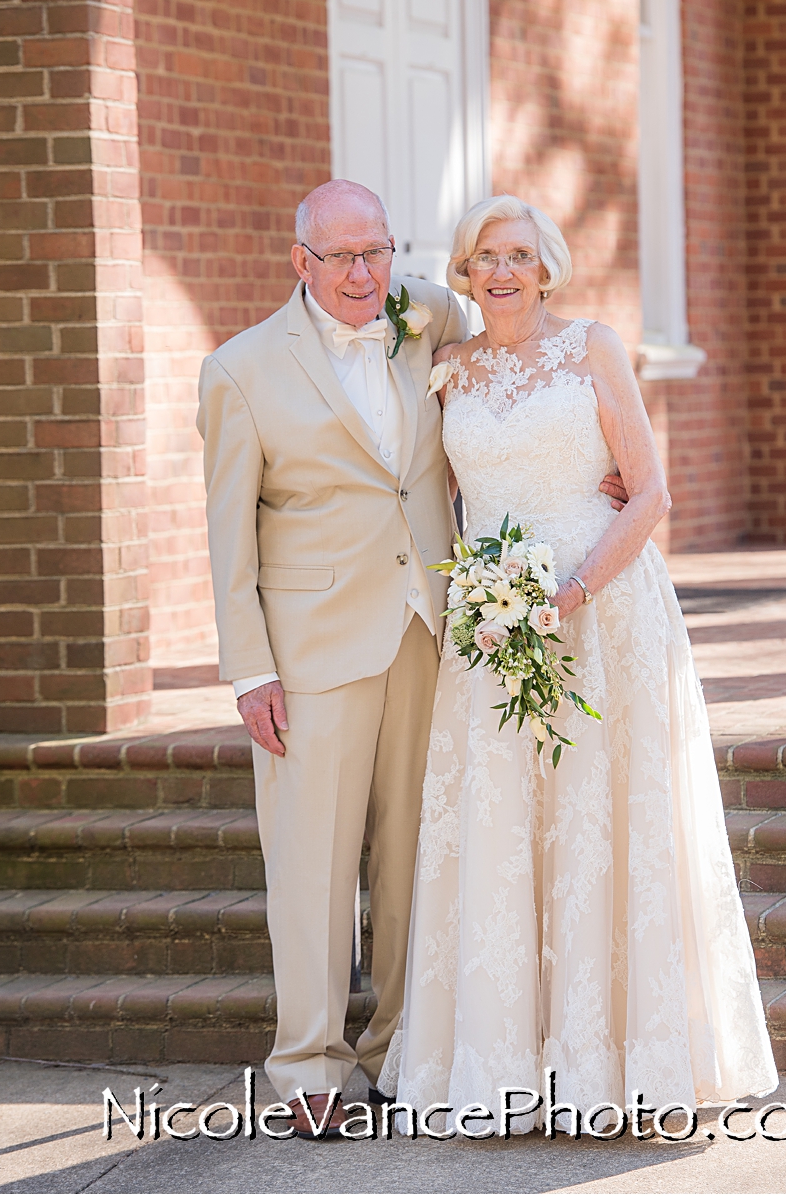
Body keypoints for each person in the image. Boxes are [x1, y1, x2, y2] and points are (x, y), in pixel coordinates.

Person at [378, 194, 777, 1126]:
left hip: (605, 615)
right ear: (466, 274)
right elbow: (443, 506)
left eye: (519, 253)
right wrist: (485, 599)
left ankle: (621, 1064)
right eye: (484, 257)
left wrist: (574, 591)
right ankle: (506, 1062)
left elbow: (649, 495)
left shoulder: (594, 347)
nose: (503, 271)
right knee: (508, 834)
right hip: (494, 631)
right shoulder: (445, 373)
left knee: (608, 829)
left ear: (546, 265)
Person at [195, 180, 476, 1136]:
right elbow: (227, 541)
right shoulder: (238, 371)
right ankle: (308, 1060)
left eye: (377, 252)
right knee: (312, 861)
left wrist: (588, 445)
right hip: (309, 650)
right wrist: (249, 671)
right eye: (341, 257)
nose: (362, 275)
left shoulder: (425, 315)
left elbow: (518, 349)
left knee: (410, 855)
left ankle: (401, 1045)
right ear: (299, 260)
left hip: (424, 630)